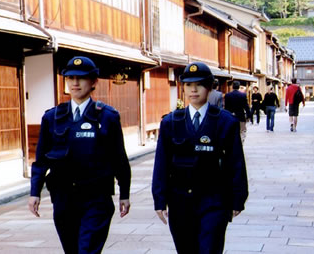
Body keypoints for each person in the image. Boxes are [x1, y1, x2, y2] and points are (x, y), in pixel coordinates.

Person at [28, 56, 131, 254]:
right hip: (64, 197)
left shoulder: (107, 117)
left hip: (96, 197)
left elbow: (119, 157)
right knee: (72, 249)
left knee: (88, 249)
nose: (75, 83)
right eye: (71, 78)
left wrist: (124, 193)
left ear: (93, 82)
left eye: (81, 78)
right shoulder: (53, 117)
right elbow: (41, 160)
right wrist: (35, 192)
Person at [152, 62, 248, 254]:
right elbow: (161, 163)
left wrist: (238, 198)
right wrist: (159, 199)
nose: (193, 89)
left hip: (214, 199)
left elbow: (235, 162)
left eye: (199, 84)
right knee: (186, 249)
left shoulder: (225, 121)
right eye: (188, 85)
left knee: (210, 248)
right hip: (180, 200)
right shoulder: (171, 122)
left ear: (210, 87)